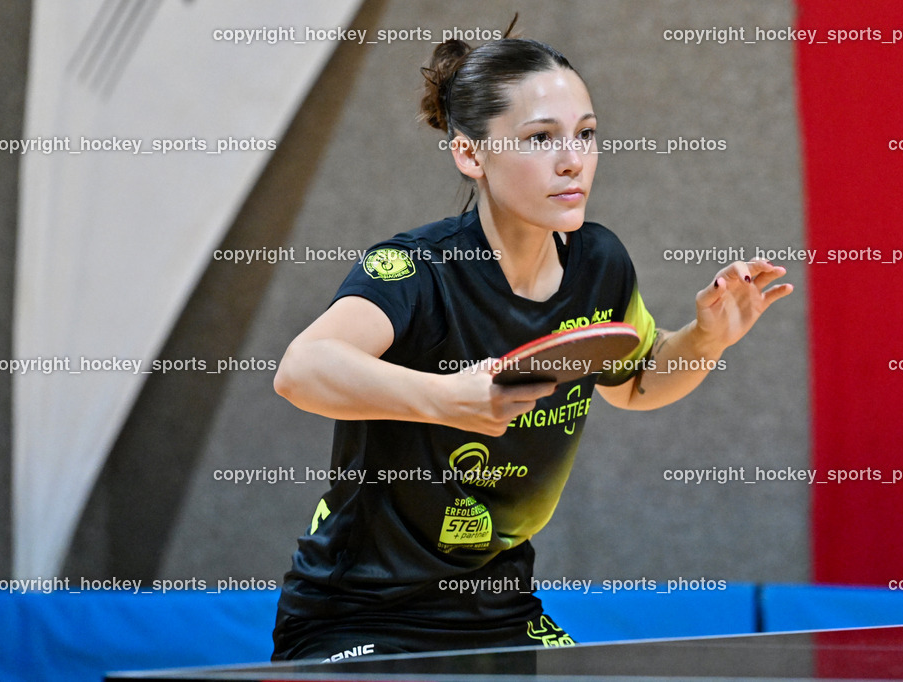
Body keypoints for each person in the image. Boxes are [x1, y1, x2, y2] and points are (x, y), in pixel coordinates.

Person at [270, 21, 792, 663]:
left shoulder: (598, 263)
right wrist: (445, 399)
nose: (573, 159)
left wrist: (707, 339)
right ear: (470, 154)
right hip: (360, 608)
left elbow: (636, 383)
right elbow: (301, 369)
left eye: (586, 134)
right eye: (541, 138)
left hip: (501, 605)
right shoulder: (417, 270)